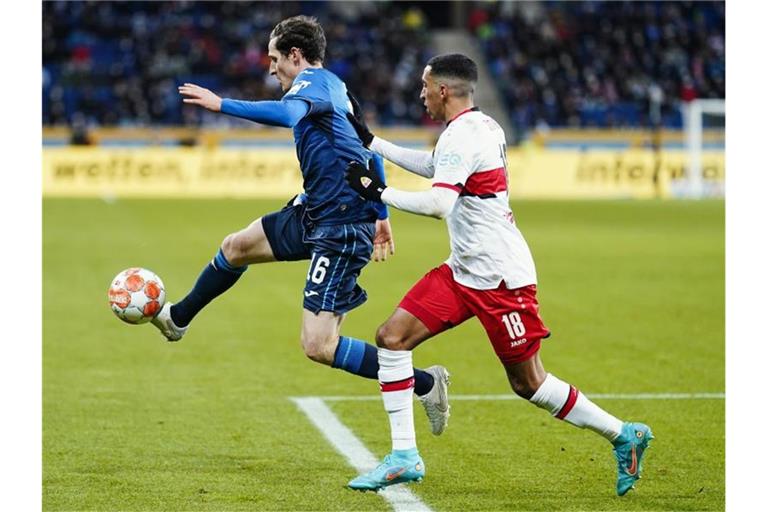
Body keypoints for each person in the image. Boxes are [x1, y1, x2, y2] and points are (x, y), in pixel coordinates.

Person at [343, 53, 653, 496]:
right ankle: (404, 456)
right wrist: (373, 143)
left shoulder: (464, 136)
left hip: (501, 279)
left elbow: (438, 204)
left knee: (528, 383)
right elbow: (436, 168)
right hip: (464, 270)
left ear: (443, 90)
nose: (421, 94)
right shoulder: (477, 127)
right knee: (392, 337)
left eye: (425, 85)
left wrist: (379, 191)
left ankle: (624, 434)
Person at [157, 15, 450, 434]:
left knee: (318, 345)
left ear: (296, 56)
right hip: (315, 211)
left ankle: (426, 382)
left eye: (274, 58)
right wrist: (383, 215)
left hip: (341, 226)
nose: (270, 67)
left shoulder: (312, 84)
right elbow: (369, 150)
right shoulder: (337, 89)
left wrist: (222, 104)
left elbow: (289, 115)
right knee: (236, 246)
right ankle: (178, 318)